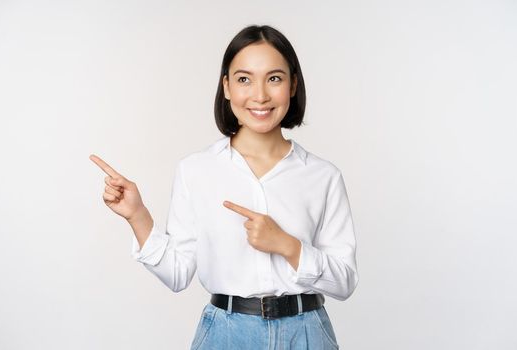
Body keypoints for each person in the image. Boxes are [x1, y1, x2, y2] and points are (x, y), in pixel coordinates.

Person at [90, 25, 358, 349]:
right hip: (227, 335)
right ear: (227, 86)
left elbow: (344, 282)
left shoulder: (322, 176)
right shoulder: (196, 170)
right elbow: (177, 274)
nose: (259, 95)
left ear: (293, 85)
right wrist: (137, 216)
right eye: (244, 79)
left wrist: (288, 245)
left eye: (274, 78)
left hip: (306, 334)